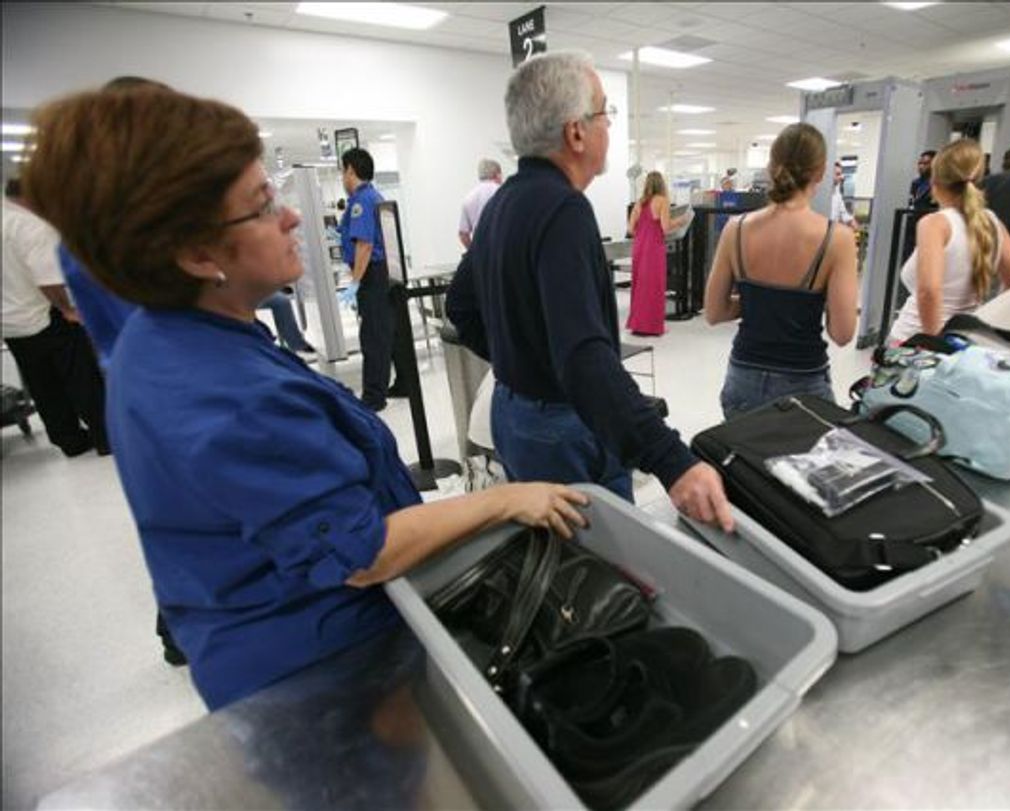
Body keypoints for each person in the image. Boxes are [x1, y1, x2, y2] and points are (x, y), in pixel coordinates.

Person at [22, 86, 588, 711]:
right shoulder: (226, 396)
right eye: (263, 205)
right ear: (195, 253)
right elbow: (363, 552)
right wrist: (508, 498)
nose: (292, 217)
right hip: (324, 674)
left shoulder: (169, 334)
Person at [446, 50, 734, 532]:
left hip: (512, 414)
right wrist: (672, 461)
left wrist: (522, 360)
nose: (609, 126)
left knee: (559, 564)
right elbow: (584, 359)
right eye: (604, 113)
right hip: (562, 426)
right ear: (576, 132)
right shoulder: (563, 209)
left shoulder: (503, 203)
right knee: (607, 576)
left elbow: (461, 305)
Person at [703, 123, 859, 419]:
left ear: (772, 166)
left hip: (743, 378)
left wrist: (758, 303)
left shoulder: (736, 229)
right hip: (803, 381)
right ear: (821, 171)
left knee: (745, 464)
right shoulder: (835, 238)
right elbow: (842, 333)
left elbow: (714, 312)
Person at [2, 179, 109, 457]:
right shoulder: (30, 226)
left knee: (41, 383)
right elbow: (47, 280)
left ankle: (69, 440)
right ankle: (105, 435)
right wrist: (68, 309)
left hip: (10, 322)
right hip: (44, 313)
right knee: (81, 374)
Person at [887, 139, 1010, 344]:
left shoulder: (935, 224)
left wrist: (934, 344)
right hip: (966, 339)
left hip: (915, 339)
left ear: (935, 180)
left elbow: (929, 291)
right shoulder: (992, 223)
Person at [339, 147, 393, 412]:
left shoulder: (361, 201)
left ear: (350, 170)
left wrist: (355, 282)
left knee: (372, 336)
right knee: (383, 331)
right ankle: (393, 384)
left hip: (371, 273)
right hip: (378, 272)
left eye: (342, 171)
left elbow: (364, 245)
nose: (342, 178)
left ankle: (374, 397)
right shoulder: (373, 195)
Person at [625, 171, 689, 337]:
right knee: (654, 286)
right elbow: (665, 227)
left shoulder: (639, 203)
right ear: (662, 184)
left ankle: (637, 325)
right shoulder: (662, 201)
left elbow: (630, 229)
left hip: (639, 247)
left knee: (639, 286)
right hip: (653, 248)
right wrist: (681, 221)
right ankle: (653, 327)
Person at [458, 158, 503, 249]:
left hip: (480, 252)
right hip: (502, 250)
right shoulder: (503, 192)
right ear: (497, 175)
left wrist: (474, 253)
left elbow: (463, 234)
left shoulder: (469, 198)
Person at [830, 161, 859, 230]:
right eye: (838, 174)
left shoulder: (837, 194)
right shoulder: (819, 194)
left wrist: (852, 222)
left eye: (841, 174)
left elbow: (844, 214)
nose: (842, 177)